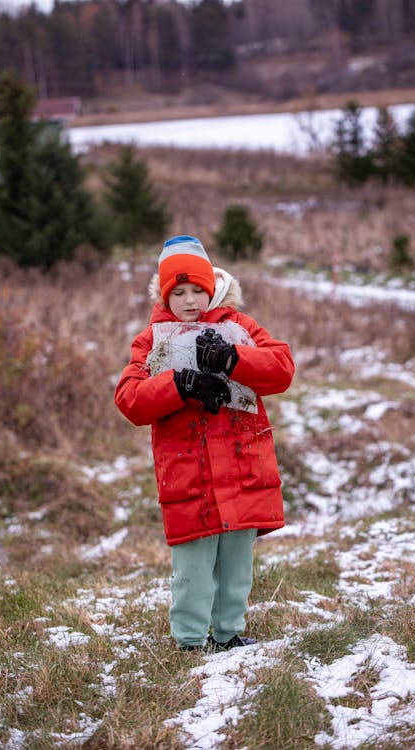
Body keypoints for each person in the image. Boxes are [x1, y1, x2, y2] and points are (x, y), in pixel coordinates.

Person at [114, 235, 294, 651]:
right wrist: (181, 384)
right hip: (188, 471)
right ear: (164, 295)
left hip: (242, 465)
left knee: (236, 564)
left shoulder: (240, 328)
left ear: (212, 287)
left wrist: (233, 358)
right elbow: (130, 400)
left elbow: (282, 369)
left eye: (197, 289)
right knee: (192, 566)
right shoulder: (151, 340)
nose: (190, 300)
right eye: (178, 292)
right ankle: (190, 641)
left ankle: (228, 633)